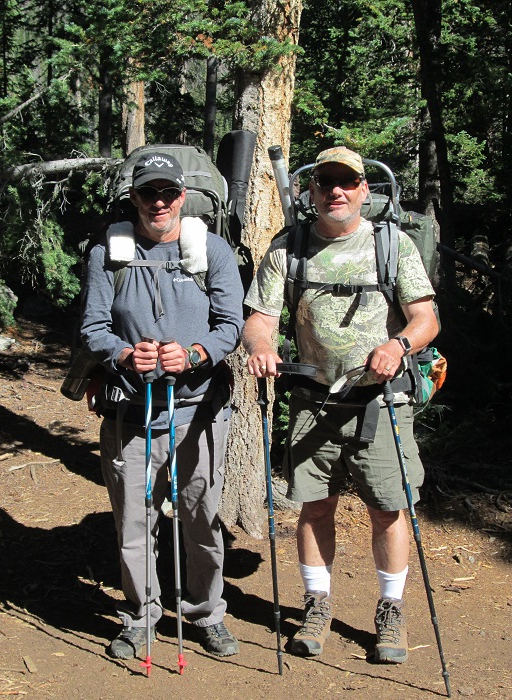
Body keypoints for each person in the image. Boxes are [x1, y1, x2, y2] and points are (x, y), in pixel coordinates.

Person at [242, 146, 438, 663]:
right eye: (326, 181)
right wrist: (261, 349)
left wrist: (398, 346)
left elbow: (425, 318)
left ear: (363, 190)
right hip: (313, 400)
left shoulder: (391, 246)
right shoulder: (289, 248)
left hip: (383, 403)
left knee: (388, 509)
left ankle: (391, 611)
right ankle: (316, 603)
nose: (337, 191)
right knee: (314, 506)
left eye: (347, 182)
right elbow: (259, 319)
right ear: (311, 189)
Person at [80, 151, 244, 659]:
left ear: (182, 197)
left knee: (201, 516)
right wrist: (124, 354)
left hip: (198, 409)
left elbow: (231, 326)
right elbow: (92, 328)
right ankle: (140, 615)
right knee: (134, 519)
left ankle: (206, 612)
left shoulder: (213, 250)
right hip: (131, 409)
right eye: (148, 193)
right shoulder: (107, 252)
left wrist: (194, 354)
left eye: (168, 193)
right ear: (133, 197)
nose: (158, 202)